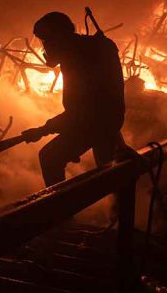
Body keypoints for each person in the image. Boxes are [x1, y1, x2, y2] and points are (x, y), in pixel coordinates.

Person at [21, 11, 127, 186]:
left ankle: (62, 208)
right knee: (110, 169)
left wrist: (43, 130)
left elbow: (80, 114)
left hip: (97, 123)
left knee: (50, 157)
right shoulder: (86, 50)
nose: (45, 47)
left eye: (46, 41)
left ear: (58, 38)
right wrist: (48, 129)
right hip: (108, 120)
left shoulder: (77, 60)